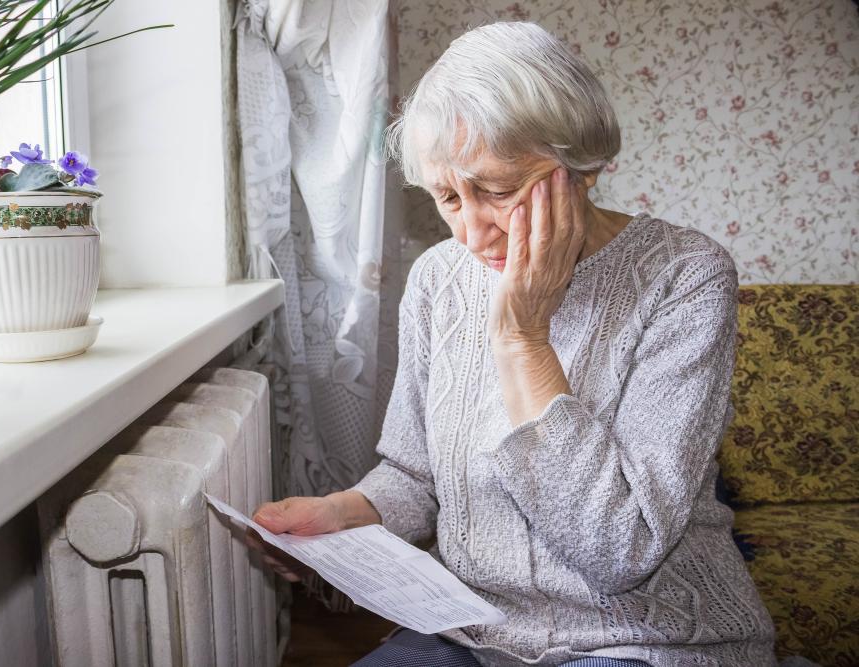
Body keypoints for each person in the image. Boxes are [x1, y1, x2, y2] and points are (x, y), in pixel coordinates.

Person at [250, 21, 777, 667]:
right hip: (473, 630)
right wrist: (342, 512)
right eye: (447, 196)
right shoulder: (438, 279)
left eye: (497, 191)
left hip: (643, 639)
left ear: (581, 166)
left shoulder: (684, 276)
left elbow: (621, 548)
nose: (471, 231)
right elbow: (417, 476)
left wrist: (523, 338)